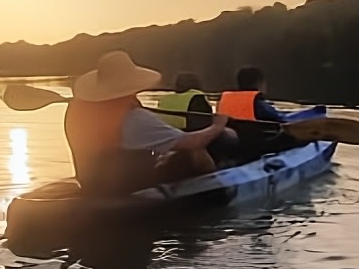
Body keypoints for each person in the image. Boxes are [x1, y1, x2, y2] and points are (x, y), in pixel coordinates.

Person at [64, 51, 235, 196]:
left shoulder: (76, 111)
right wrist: (218, 125)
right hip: (125, 187)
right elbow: (194, 142)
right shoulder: (136, 119)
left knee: (161, 152)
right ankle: (219, 190)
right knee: (195, 151)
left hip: (91, 183)